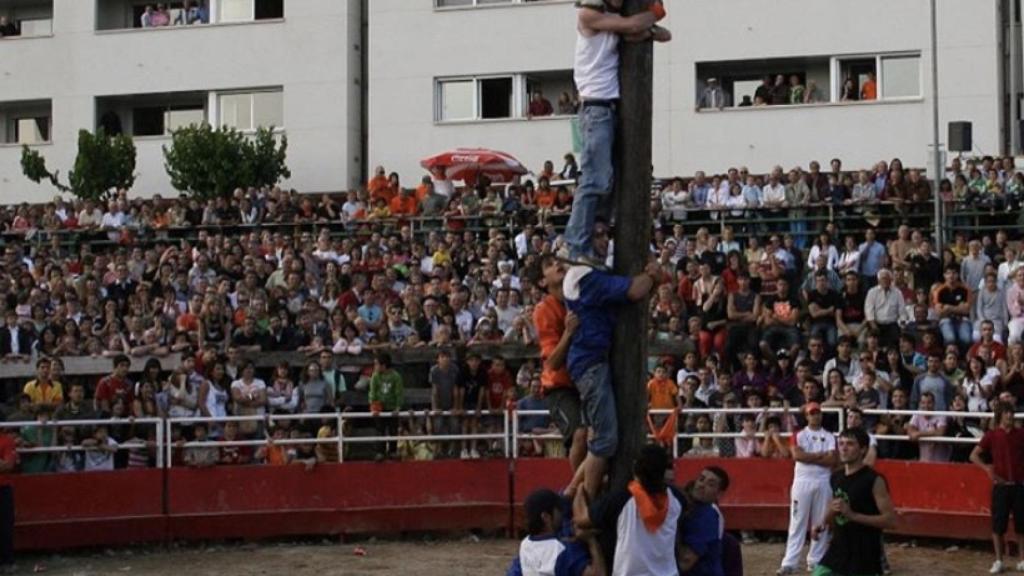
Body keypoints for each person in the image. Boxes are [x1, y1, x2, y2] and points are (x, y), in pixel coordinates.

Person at [565, 0, 669, 265]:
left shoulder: (614, 18)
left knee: (609, 181)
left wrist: (646, 27)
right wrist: (653, 15)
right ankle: (576, 246)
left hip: (608, 107)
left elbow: (662, 34)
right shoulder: (589, 15)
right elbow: (636, 26)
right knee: (595, 179)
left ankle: (591, 239)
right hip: (595, 107)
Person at [563, 221, 659, 499]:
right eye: (598, 235)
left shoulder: (592, 275)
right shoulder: (586, 277)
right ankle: (585, 503)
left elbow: (633, 291)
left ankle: (574, 493)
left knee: (599, 436)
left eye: (606, 235)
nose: (604, 240)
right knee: (605, 440)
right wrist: (651, 274)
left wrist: (650, 272)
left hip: (593, 361)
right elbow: (634, 290)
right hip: (590, 362)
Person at [575, 444, 686, 575]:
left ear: (634, 467)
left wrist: (579, 489)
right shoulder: (676, 499)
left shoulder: (620, 500)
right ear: (664, 471)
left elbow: (581, 519)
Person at [811, 427, 897, 576]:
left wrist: (853, 515)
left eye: (850, 444)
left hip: (864, 555)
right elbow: (835, 505)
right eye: (841, 443)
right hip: (838, 550)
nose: (844, 448)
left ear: (863, 449)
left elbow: (891, 521)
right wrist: (822, 522)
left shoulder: (873, 480)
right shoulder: (836, 477)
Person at [529, 255, 587, 472]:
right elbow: (552, 362)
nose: (558, 264)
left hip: (585, 380)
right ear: (542, 282)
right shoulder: (545, 309)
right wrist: (569, 333)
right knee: (579, 434)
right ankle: (579, 489)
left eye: (557, 261)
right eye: (550, 265)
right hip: (560, 387)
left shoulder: (580, 298)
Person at [778, 402, 837, 576]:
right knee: (797, 522)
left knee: (821, 522)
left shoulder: (830, 436)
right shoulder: (799, 435)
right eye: (812, 413)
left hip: (823, 480)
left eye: (818, 413)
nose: (815, 416)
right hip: (803, 480)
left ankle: (816, 560)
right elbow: (797, 455)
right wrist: (820, 455)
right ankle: (790, 562)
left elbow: (832, 460)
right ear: (807, 416)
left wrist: (809, 457)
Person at [970, 401, 1024, 575]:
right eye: (1007, 413)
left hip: (1018, 484)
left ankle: (1022, 560)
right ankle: (999, 560)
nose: (1010, 415)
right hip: (1002, 486)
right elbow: (974, 455)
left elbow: (975, 455)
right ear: (1000, 415)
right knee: (998, 526)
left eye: (1011, 412)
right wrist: (987, 469)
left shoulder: (1020, 434)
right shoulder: (992, 435)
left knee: (1021, 525)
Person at [507, 488, 604, 576]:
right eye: (558, 509)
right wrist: (592, 542)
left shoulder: (525, 546)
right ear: (546, 517)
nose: (561, 513)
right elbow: (598, 574)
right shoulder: (563, 549)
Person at [680, 467, 731, 576]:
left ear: (719, 494)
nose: (701, 485)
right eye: (701, 479)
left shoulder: (707, 516)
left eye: (710, 484)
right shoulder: (691, 509)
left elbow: (686, 561)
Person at [369, 351, 404, 461]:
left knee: (393, 430)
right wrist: (373, 407)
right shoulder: (375, 376)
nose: (375, 367)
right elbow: (372, 392)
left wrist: (398, 407)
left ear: (383, 365)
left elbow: (399, 392)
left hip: (392, 407)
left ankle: (392, 451)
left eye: (376, 364)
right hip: (379, 407)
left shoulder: (396, 376)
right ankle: (380, 452)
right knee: (379, 430)